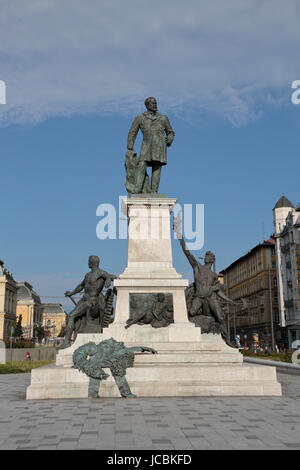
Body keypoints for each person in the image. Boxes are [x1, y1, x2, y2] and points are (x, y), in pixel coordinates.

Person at [59, 256, 116, 349]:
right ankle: (70, 340)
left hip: (93, 302)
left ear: (92, 262)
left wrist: (108, 278)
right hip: (84, 300)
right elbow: (80, 286)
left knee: (71, 315)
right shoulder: (88, 275)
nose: (88, 263)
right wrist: (71, 293)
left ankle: (66, 342)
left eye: (89, 261)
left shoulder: (101, 273)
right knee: (72, 316)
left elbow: (114, 277)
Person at [127, 97, 175, 193]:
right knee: (142, 165)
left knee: (157, 167)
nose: (155, 105)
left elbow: (170, 132)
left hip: (159, 146)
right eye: (152, 103)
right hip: (146, 146)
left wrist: (169, 139)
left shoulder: (163, 118)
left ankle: (154, 191)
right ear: (147, 105)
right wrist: (130, 144)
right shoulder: (140, 118)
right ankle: (137, 189)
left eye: (155, 103)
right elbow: (133, 132)